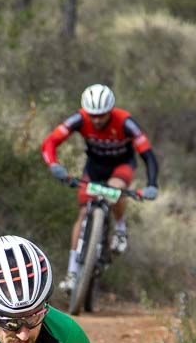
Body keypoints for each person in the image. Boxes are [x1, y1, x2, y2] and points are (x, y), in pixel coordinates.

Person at [41, 83, 159, 294]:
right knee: (84, 210)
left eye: (102, 115)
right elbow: (50, 142)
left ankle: (120, 228)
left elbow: (148, 155)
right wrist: (54, 165)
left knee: (115, 189)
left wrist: (152, 184)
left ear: (110, 111)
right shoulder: (79, 119)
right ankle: (72, 271)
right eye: (92, 115)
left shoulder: (125, 121)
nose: (96, 120)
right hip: (94, 168)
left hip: (122, 165)